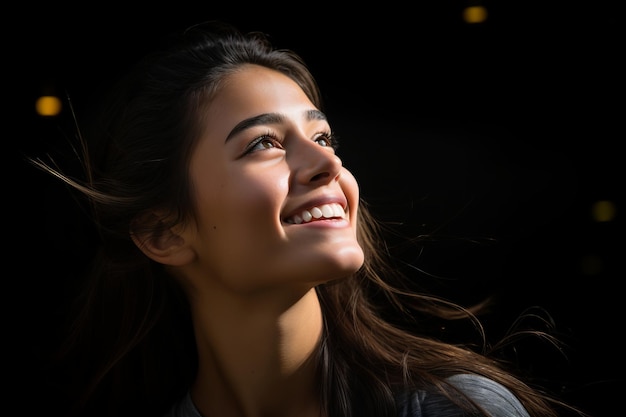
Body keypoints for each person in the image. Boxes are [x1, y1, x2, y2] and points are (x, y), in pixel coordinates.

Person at [30, 20, 583, 417]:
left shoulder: (452, 408)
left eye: (322, 137)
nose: (327, 163)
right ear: (163, 232)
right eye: (265, 143)